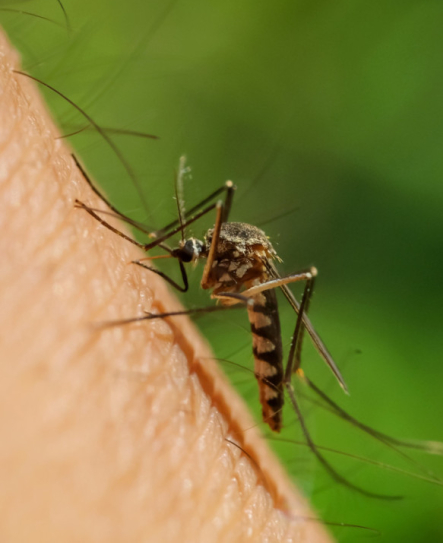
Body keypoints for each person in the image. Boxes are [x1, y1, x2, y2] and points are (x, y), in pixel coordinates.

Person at [0, 29, 330, 543]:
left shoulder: (230, 253)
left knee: (261, 239)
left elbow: (237, 240)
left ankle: (290, 380)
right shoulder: (210, 245)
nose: (188, 256)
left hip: (259, 301)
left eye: (190, 249)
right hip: (240, 268)